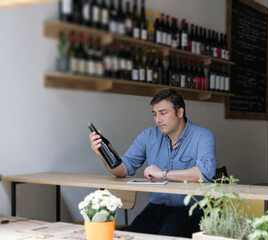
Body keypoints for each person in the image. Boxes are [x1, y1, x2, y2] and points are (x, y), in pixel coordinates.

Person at [89, 89, 217, 238]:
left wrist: (163, 174)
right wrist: (105, 154)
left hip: (189, 209)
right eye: (155, 114)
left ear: (180, 112)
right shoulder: (148, 136)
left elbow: (205, 173)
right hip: (155, 208)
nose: (158, 120)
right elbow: (123, 169)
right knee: (129, 237)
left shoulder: (203, 136)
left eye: (163, 113)